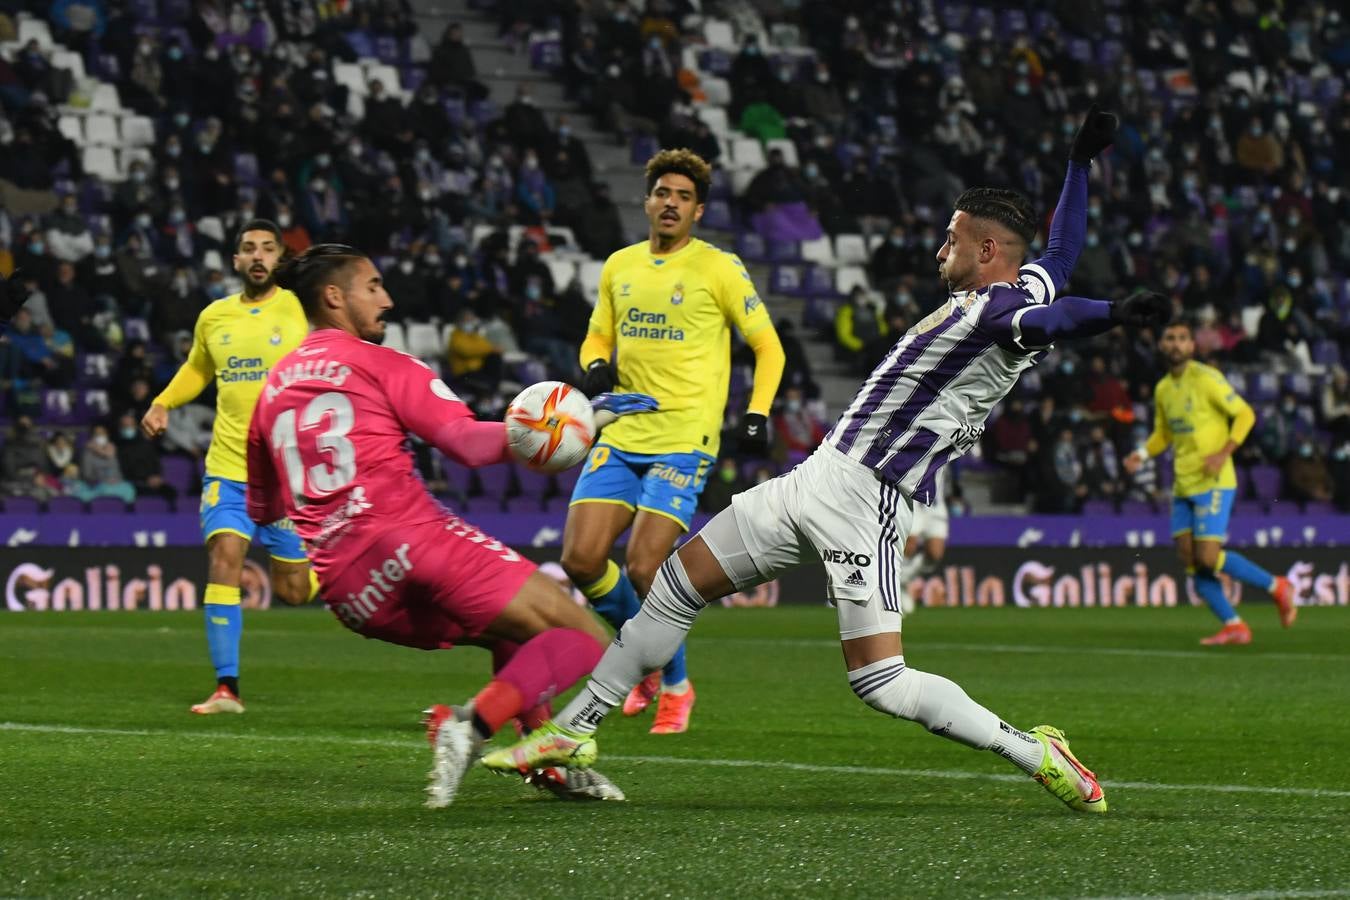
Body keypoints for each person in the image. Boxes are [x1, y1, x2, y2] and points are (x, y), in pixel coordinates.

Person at [485, 107, 1164, 814]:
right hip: (818, 475)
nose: (940, 248)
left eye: (952, 238)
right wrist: (1078, 164)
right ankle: (574, 730)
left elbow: (1052, 318)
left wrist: (1111, 313)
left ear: (988, 249)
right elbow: (1060, 253)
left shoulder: (995, 314)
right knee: (677, 582)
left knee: (880, 682)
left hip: (866, 497)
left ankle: (1035, 752)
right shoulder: (1016, 287)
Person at [246, 243, 652, 806]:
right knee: (586, 638)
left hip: (351, 591)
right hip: (412, 539)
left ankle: (546, 767)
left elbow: (264, 509)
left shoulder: (270, 391)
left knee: (518, 630)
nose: (386, 298)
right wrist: (574, 423)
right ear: (335, 297)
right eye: (373, 286)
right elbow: (465, 443)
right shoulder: (380, 361)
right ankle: (470, 724)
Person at [564, 148, 785, 735]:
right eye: (663, 192)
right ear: (648, 201)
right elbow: (596, 339)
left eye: (683, 197)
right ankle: (641, 662)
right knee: (581, 559)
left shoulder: (719, 268)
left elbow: (769, 346)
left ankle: (675, 684)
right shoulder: (620, 266)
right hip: (621, 430)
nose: (671, 203)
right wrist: (594, 369)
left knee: (644, 565)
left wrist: (757, 411)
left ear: (698, 210)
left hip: (685, 437)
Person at [139, 220, 316, 714]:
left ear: (278, 258)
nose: (257, 256)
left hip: (286, 475)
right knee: (224, 557)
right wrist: (162, 403)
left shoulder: (302, 310)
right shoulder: (214, 317)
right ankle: (227, 688)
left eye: (266, 249)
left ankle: (327, 568)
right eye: (247, 249)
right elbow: (198, 367)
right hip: (229, 467)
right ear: (235, 260)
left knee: (295, 591)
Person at [1124, 319, 1296, 646]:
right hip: (1183, 484)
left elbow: (1245, 415)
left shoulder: (1207, 379)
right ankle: (1234, 625)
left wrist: (1223, 452)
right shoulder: (1163, 389)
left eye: (1182, 339)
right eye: (1170, 338)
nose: (1176, 344)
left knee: (1206, 557)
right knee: (1190, 561)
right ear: (1162, 345)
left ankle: (1278, 586)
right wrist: (1142, 455)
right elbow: (1164, 434)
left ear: (1192, 346)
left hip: (1214, 481)